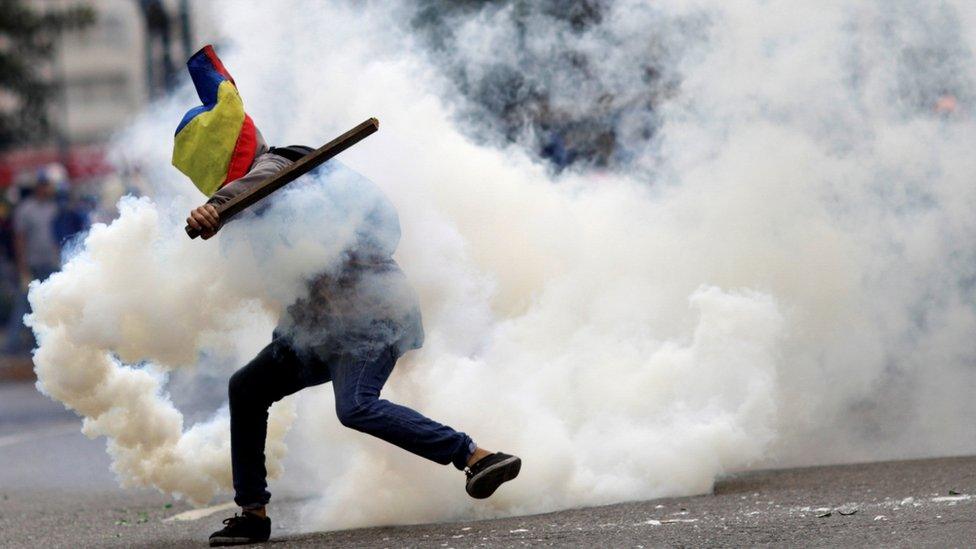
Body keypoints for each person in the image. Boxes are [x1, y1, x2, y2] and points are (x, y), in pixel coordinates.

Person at [174, 46, 520, 547]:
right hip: (316, 330)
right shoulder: (255, 208)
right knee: (246, 387)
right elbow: (290, 279)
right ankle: (253, 514)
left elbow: (258, 185)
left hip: (371, 315)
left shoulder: (279, 168)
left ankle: (476, 456)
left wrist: (214, 208)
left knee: (355, 407)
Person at [4, 172, 61, 354]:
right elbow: (19, 239)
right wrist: (22, 267)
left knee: (48, 305)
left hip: (50, 263)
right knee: (23, 304)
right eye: (44, 185)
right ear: (38, 187)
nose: (46, 189)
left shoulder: (54, 208)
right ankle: (11, 345)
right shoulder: (26, 209)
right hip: (32, 264)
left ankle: (41, 345)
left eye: (48, 185)